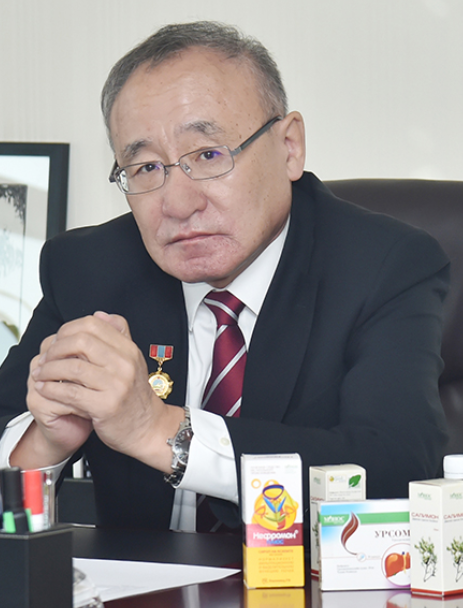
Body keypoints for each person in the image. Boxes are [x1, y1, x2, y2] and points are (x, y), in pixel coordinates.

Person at [0, 21, 449, 532]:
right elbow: (10, 447)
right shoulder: (89, 267)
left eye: (208, 155)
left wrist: (160, 430)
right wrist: (44, 444)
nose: (177, 204)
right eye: (145, 168)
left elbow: (399, 467)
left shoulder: (384, 264)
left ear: (289, 147)